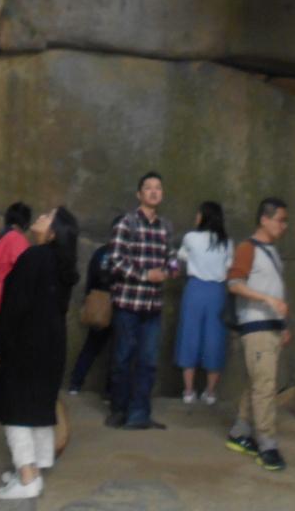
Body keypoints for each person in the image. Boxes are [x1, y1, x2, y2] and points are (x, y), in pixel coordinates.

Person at [0, 206, 80, 500]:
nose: (40, 217)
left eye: (48, 216)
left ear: (53, 232)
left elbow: (13, 307)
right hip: (51, 346)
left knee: (16, 409)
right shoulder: (63, 264)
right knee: (38, 406)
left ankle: (27, 476)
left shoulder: (34, 257)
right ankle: (34, 470)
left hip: (25, 345)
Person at [105, 171, 179, 430]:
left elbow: (172, 257)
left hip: (152, 307)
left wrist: (172, 269)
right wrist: (146, 275)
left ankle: (140, 414)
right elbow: (116, 261)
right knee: (123, 358)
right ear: (139, 194)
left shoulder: (165, 227)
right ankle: (119, 409)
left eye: (158, 188)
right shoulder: (126, 223)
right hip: (128, 304)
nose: (154, 191)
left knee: (148, 362)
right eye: (148, 187)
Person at [224, 197, 291, 471]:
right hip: (256, 325)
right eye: (280, 220)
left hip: (271, 326)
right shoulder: (247, 248)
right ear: (264, 219)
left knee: (256, 383)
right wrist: (267, 300)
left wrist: (283, 325)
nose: (284, 226)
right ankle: (267, 445)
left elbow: (276, 291)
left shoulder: (272, 251)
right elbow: (234, 284)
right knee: (264, 387)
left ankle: (240, 432)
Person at [174, 201, 233, 405]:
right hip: (217, 292)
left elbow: (181, 257)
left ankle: (188, 391)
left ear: (204, 216)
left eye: (198, 214)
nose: (196, 217)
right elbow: (229, 268)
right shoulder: (227, 242)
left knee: (189, 336)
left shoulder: (190, 237)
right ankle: (210, 392)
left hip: (194, 290)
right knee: (215, 338)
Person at [68, 213, 124, 395]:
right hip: (120, 305)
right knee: (116, 351)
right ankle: (109, 391)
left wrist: (89, 299)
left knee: (91, 346)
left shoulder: (101, 253)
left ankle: (75, 383)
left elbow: (91, 280)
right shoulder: (126, 256)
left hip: (99, 303)